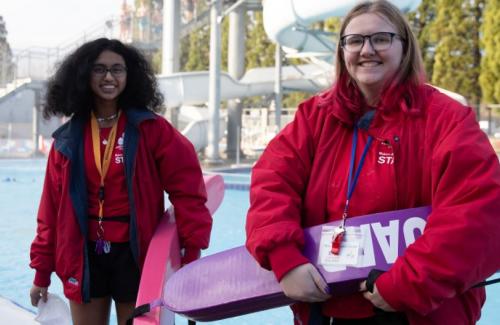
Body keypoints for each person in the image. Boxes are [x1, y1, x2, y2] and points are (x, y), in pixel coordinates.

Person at [245, 1, 500, 324]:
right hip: (328, 306)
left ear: (404, 46)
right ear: (342, 51)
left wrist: (408, 282)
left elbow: (478, 216)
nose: (366, 50)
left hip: (417, 310)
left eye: (381, 38)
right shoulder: (315, 118)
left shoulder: (446, 120)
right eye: (355, 40)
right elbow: (271, 182)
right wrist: (285, 259)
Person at [29, 38, 212, 325]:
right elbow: (49, 212)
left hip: (135, 254)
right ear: (84, 75)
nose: (109, 77)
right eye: (99, 69)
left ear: (130, 76)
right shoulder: (68, 138)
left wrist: (191, 251)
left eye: (118, 69)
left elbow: (188, 189)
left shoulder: (151, 130)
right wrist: (41, 272)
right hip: (84, 254)